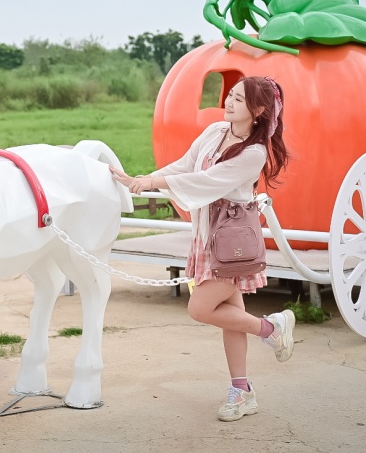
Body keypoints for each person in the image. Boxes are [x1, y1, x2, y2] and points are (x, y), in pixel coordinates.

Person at [110, 75, 293, 422]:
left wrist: (152, 182)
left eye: (239, 100)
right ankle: (242, 391)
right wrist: (142, 181)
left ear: (258, 110)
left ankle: (272, 329)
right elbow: (184, 166)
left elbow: (206, 182)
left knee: (199, 308)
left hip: (231, 241)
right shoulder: (215, 131)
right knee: (231, 318)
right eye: (231, 96)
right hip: (207, 235)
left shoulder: (254, 153)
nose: (229, 102)